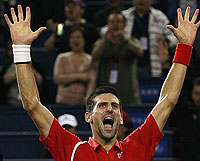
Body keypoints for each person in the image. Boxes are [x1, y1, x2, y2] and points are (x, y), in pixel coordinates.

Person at [4, 5, 200, 161]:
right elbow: (32, 105)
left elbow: (167, 101)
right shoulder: (71, 149)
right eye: (103, 105)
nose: (110, 109)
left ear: (121, 119)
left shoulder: (137, 146)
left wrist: (184, 47)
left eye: (115, 106)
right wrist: (21, 49)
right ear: (88, 116)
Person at [92, 12, 143, 104]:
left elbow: (140, 52)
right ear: (107, 25)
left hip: (129, 92)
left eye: (118, 21)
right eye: (112, 22)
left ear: (124, 25)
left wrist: (124, 39)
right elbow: (94, 57)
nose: (115, 24)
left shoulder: (131, 40)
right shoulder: (101, 42)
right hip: (107, 92)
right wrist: (105, 40)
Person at [119, 0, 177, 80]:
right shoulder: (124, 15)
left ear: (152, 1)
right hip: (127, 64)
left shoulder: (159, 16)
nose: (141, 1)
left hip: (152, 63)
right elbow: (105, 31)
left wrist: (165, 41)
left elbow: (174, 38)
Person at [53, 26, 96, 105]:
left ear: (84, 40)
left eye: (78, 37)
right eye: (72, 37)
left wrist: (88, 97)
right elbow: (57, 78)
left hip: (81, 102)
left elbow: (92, 81)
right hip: (63, 101)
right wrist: (80, 77)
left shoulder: (90, 59)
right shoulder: (62, 58)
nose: (75, 40)